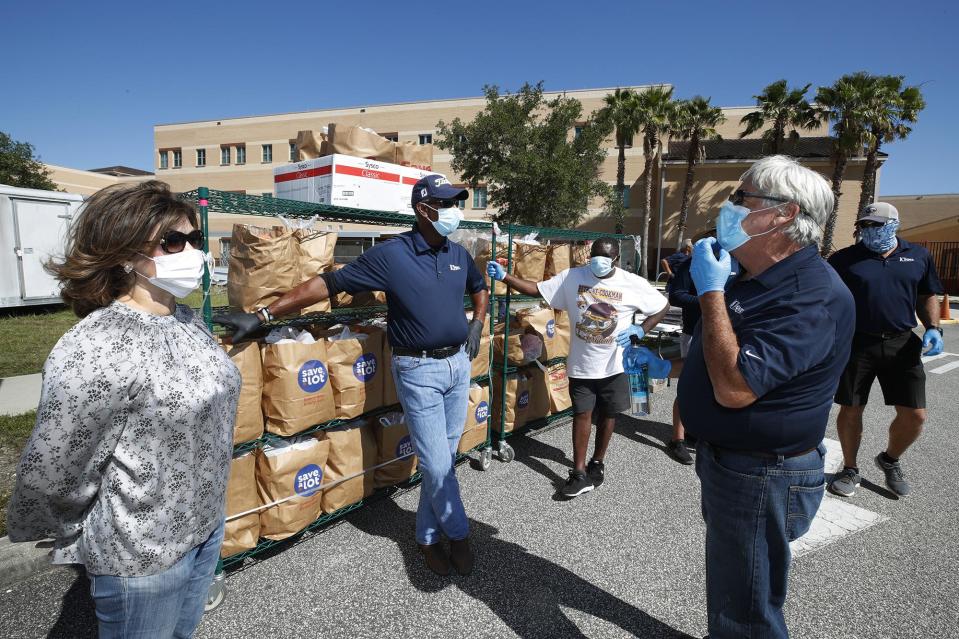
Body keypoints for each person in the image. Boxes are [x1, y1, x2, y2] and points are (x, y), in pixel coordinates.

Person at [214, 174, 489, 577]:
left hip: (457, 365)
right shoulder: (393, 255)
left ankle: (427, 537)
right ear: (423, 209)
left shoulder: (457, 253)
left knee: (444, 458)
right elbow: (326, 284)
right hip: (418, 369)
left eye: (455, 202)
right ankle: (460, 535)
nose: (453, 211)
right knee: (435, 464)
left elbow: (479, 287)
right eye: (445, 203)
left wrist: (478, 323)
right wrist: (264, 315)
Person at [631, 155, 854, 638]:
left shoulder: (808, 296)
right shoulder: (756, 279)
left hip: (762, 472)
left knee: (746, 612)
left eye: (741, 198)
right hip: (732, 462)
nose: (729, 207)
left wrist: (711, 294)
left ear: (783, 214)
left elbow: (735, 388)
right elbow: (728, 357)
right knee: (734, 588)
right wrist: (666, 366)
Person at [8, 181, 241, 638]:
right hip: (141, 551)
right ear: (123, 254)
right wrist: (63, 528)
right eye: (172, 241)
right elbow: (57, 465)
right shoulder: (96, 346)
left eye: (195, 239)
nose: (191, 251)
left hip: (204, 526)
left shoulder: (186, 320)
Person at [487, 238, 669, 498]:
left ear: (616, 259)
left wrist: (641, 329)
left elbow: (663, 306)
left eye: (605, 258)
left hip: (615, 365)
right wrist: (505, 276)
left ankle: (598, 461)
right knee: (582, 414)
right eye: (595, 256)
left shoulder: (632, 283)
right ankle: (579, 472)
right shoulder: (573, 277)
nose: (599, 262)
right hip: (581, 365)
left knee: (608, 414)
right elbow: (536, 289)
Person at [827, 202, 945, 498]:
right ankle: (850, 468)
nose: (870, 231)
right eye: (865, 225)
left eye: (876, 225)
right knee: (851, 409)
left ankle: (889, 460)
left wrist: (933, 326)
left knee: (915, 415)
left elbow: (927, 293)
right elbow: (826, 299)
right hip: (856, 343)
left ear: (894, 224)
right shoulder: (844, 259)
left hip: (901, 342)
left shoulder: (918, 255)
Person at [665, 234, 714, 465]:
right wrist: (708, 302)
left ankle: (697, 431)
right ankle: (678, 439)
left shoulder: (734, 262)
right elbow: (675, 295)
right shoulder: (690, 264)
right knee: (688, 384)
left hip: (725, 334)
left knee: (714, 386)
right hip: (694, 332)